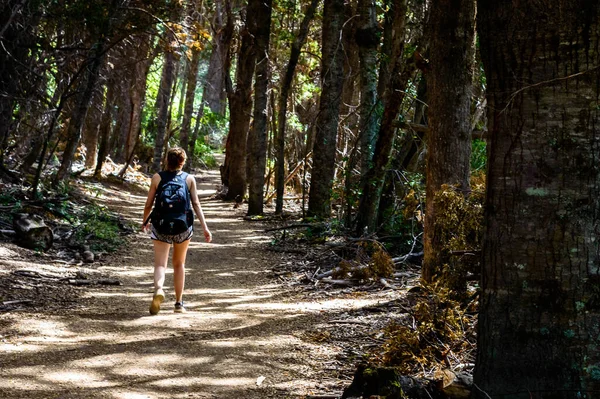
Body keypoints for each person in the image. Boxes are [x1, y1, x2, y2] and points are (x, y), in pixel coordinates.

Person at [142, 147, 212, 315]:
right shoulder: (189, 179)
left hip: (161, 225)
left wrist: (145, 221)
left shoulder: (157, 177)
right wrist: (205, 227)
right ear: (183, 162)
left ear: (167, 160)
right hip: (183, 227)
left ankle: (159, 289)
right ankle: (179, 304)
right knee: (179, 263)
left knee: (160, 263)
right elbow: (196, 204)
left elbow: (149, 203)